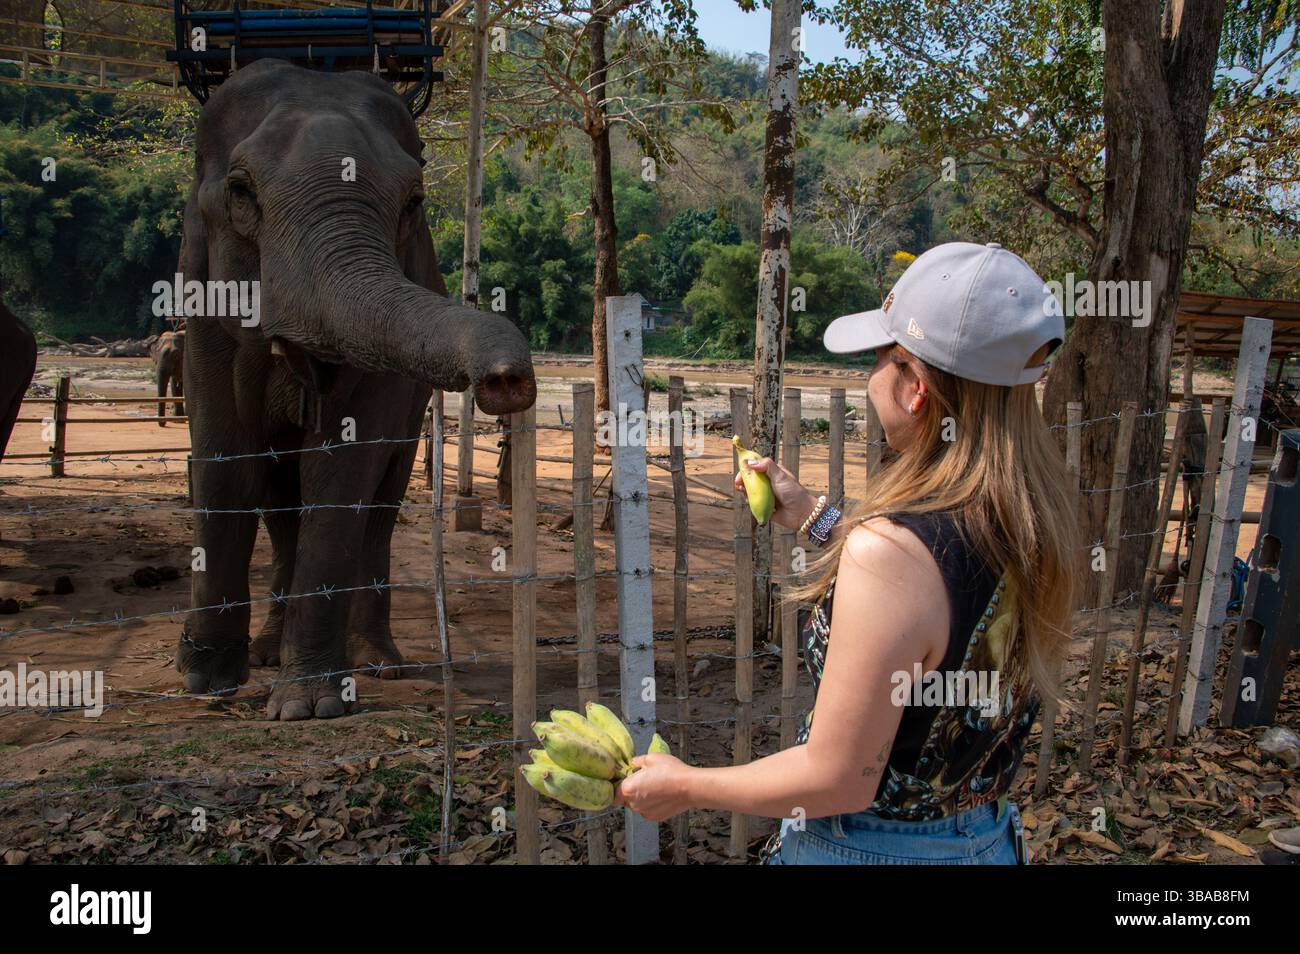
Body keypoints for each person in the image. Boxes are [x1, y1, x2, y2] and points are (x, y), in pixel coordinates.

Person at [613, 242, 1080, 864]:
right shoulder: (1029, 517)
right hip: (983, 836)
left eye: (882, 357)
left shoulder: (892, 553)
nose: (871, 377)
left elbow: (837, 777)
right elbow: (944, 597)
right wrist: (814, 515)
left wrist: (687, 785)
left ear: (915, 388)